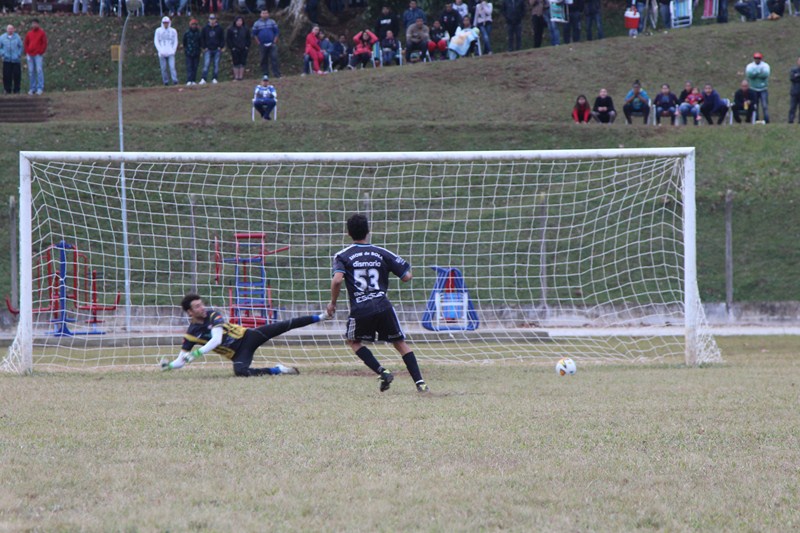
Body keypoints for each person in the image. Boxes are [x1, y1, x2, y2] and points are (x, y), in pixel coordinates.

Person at [327, 214, 429, 393]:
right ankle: (420, 383)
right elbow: (407, 276)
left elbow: (337, 281)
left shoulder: (342, 255)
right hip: (383, 305)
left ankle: (382, 371)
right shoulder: (382, 252)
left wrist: (332, 303)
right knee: (400, 343)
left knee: (353, 341)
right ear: (368, 231)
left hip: (361, 308)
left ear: (348, 233)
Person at [160, 293, 329, 376]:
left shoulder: (213, 315)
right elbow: (180, 361)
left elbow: (216, 339)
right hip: (238, 353)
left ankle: (321, 316)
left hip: (248, 337)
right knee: (241, 371)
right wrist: (168, 366)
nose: (202, 308)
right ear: (189, 312)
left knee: (284, 325)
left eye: (201, 304)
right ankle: (278, 370)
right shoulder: (191, 334)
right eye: (197, 307)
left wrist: (196, 353)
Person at [252, 9, 281, 78]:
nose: (265, 15)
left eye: (266, 13)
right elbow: (254, 34)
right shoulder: (257, 23)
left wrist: (274, 40)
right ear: (260, 14)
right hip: (262, 44)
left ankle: (277, 74)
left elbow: (276, 32)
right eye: (263, 13)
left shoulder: (272, 22)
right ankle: (265, 74)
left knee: (274, 58)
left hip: (272, 43)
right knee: (263, 59)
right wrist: (258, 42)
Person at [23, 19, 46, 96]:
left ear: (38, 24)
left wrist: (41, 52)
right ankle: (32, 88)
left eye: (35, 23)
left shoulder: (42, 33)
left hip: (38, 55)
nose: (34, 25)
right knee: (31, 71)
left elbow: (44, 43)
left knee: (39, 70)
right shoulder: (29, 33)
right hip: (30, 54)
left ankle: (40, 87)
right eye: (33, 24)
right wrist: (27, 52)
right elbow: (26, 43)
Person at [199, 14, 225, 84]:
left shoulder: (219, 28)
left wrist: (221, 46)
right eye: (211, 19)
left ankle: (215, 78)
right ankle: (203, 78)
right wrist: (204, 47)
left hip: (217, 49)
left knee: (216, 64)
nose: (212, 21)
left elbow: (222, 38)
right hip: (208, 49)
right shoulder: (205, 28)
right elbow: (202, 38)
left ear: (216, 20)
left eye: (213, 19)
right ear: (208, 20)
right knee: (206, 64)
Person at [746, 52, 770, 123]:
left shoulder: (765, 66)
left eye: (758, 58)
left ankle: (766, 120)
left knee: (765, 106)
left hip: (763, 89)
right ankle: (755, 120)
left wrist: (755, 73)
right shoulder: (750, 66)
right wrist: (759, 73)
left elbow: (765, 74)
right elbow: (750, 75)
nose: (757, 60)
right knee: (755, 106)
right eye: (756, 58)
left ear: (761, 59)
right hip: (753, 89)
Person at [154, 16, 179, 86]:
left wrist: (173, 50)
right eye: (164, 23)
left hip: (170, 52)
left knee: (172, 67)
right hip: (162, 53)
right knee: (163, 68)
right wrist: (160, 50)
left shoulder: (173, 31)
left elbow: (175, 41)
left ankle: (175, 80)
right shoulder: (158, 31)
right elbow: (156, 41)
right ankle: (165, 82)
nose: (166, 24)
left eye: (167, 23)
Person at [227, 16, 251, 81]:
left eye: (240, 21)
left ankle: (241, 77)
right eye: (238, 21)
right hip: (235, 48)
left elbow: (248, 39)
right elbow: (228, 39)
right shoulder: (231, 29)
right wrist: (232, 47)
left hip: (243, 48)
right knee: (236, 63)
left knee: (242, 62)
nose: (239, 22)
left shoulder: (245, 29)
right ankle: (236, 77)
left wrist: (247, 46)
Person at [0, 24, 23, 95]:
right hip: (6, 60)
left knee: (17, 75)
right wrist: (3, 54)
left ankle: (17, 90)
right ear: (6, 29)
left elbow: (21, 46)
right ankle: (7, 89)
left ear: (14, 29)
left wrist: (18, 54)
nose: (10, 30)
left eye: (11, 29)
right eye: (9, 29)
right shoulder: (2, 37)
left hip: (16, 60)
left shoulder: (17, 37)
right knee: (6, 75)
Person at [183, 19, 202, 86]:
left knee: (195, 67)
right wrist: (186, 50)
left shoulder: (199, 33)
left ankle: (193, 80)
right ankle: (189, 80)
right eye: (192, 24)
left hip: (196, 52)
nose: (193, 26)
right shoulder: (187, 33)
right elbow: (184, 42)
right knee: (189, 66)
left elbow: (200, 42)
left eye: (195, 24)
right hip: (188, 52)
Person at [789, 58, 800, 123]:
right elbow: (792, 78)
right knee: (792, 107)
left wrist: (797, 76)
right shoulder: (794, 70)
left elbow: (796, 77)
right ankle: (790, 120)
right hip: (794, 92)